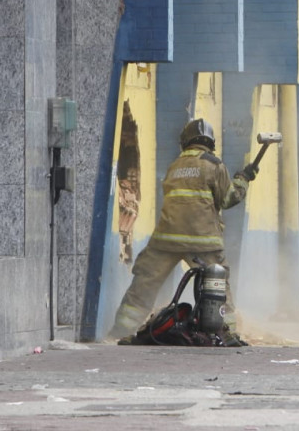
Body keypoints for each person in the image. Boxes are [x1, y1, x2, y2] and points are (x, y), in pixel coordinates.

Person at [108, 118, 260, 341]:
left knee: (144, 283)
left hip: (166, 239)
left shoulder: (174, 166)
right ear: (210, 142)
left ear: (185, 142)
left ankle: (120, 330)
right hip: (203, 240)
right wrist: (243, 178)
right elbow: (228, 199)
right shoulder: (213, 164)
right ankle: (226, 333)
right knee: (218, 286)